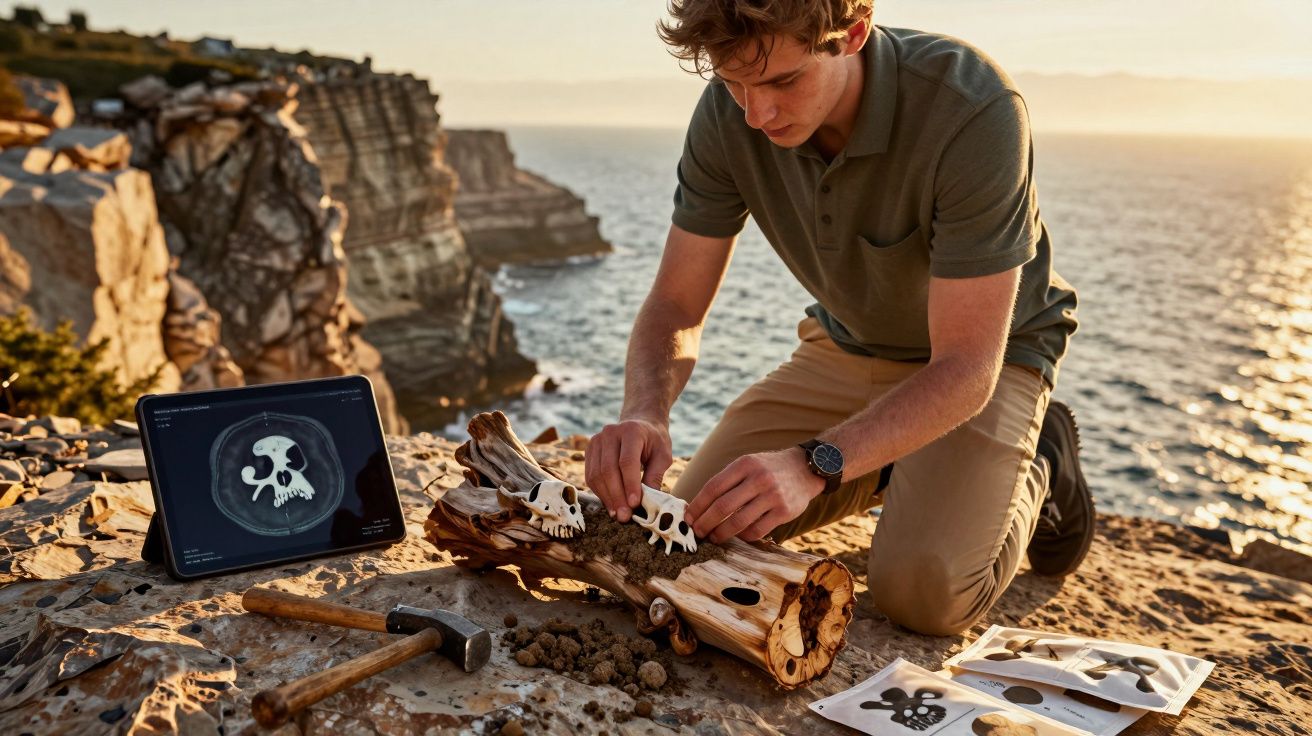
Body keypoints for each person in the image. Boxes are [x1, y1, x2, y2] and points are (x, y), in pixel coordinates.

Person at [584, 0, 1088, 636]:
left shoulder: (972, 106)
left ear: (852, 33)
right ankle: (882, 456)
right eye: (733, 82)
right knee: (678, 539)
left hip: (986, 356)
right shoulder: (729, 112)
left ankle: (1040, 455)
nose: (755, 114)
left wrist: (811, 464)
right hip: (847, 346)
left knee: (922, 597)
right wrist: (644, 410)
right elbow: (677, 303)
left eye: (781, 81)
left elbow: (965, 365)